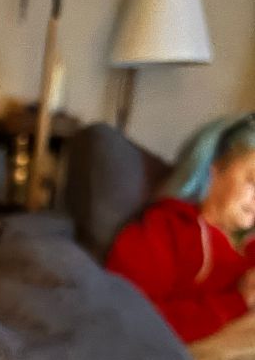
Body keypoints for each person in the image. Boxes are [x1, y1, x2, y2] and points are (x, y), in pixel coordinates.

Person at [107, 113, 255, 343]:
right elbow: (128, 320)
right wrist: (237, 301)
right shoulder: (168, 230)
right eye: (252, 180)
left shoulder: (250, 249)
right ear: (215, 169)